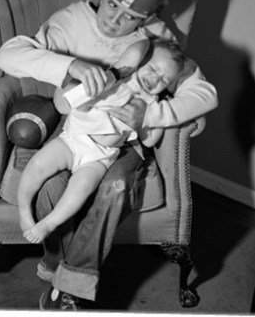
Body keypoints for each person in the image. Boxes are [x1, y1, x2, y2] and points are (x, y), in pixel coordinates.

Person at [0, 0, 218, 310]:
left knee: (115, 187)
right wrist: (70, 65)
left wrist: (150, 116)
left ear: (151, 16)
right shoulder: (69, 22)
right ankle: (55, 266)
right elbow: (7, 55)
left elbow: (204, 93)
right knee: (51, 185)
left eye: (132, 17)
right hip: (78, 126)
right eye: (112, 5)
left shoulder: (158, 36)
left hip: (124, 140)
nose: (115, 21)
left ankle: (70, 289)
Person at [18, 38, 185, 245]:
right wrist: (125, 66)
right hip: (74, 139)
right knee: (38, 164)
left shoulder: (152, 104)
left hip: (100, 157)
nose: (154, 78)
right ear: (139, 63)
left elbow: (150, 141)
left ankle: (49, 223)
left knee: (82, 187)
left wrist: (149, 118)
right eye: (152, 68)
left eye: (164, 79)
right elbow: (134, 52)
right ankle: (24, 211)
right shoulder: (114, 78)